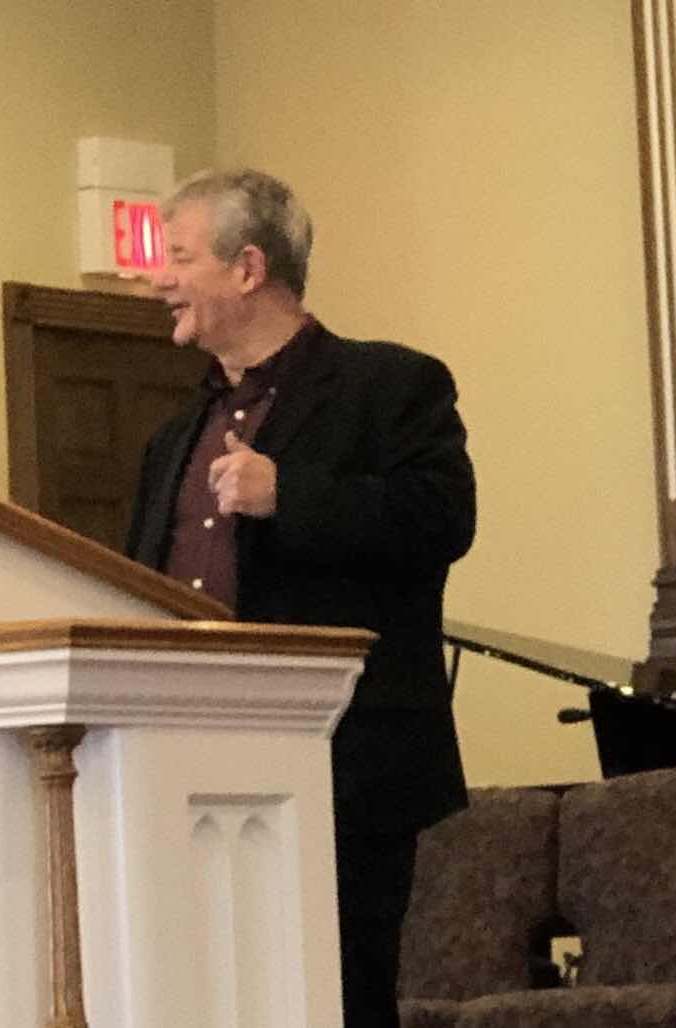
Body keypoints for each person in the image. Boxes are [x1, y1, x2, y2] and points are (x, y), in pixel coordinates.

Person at [125, 169, 475, 1028]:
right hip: (186, 772)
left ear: (248, 268)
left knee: (338, 998)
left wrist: (292, 494)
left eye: (180, 258)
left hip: (343, 773)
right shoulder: (173, 437)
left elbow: (443, 519)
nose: (159, 280)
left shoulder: (389, 386)